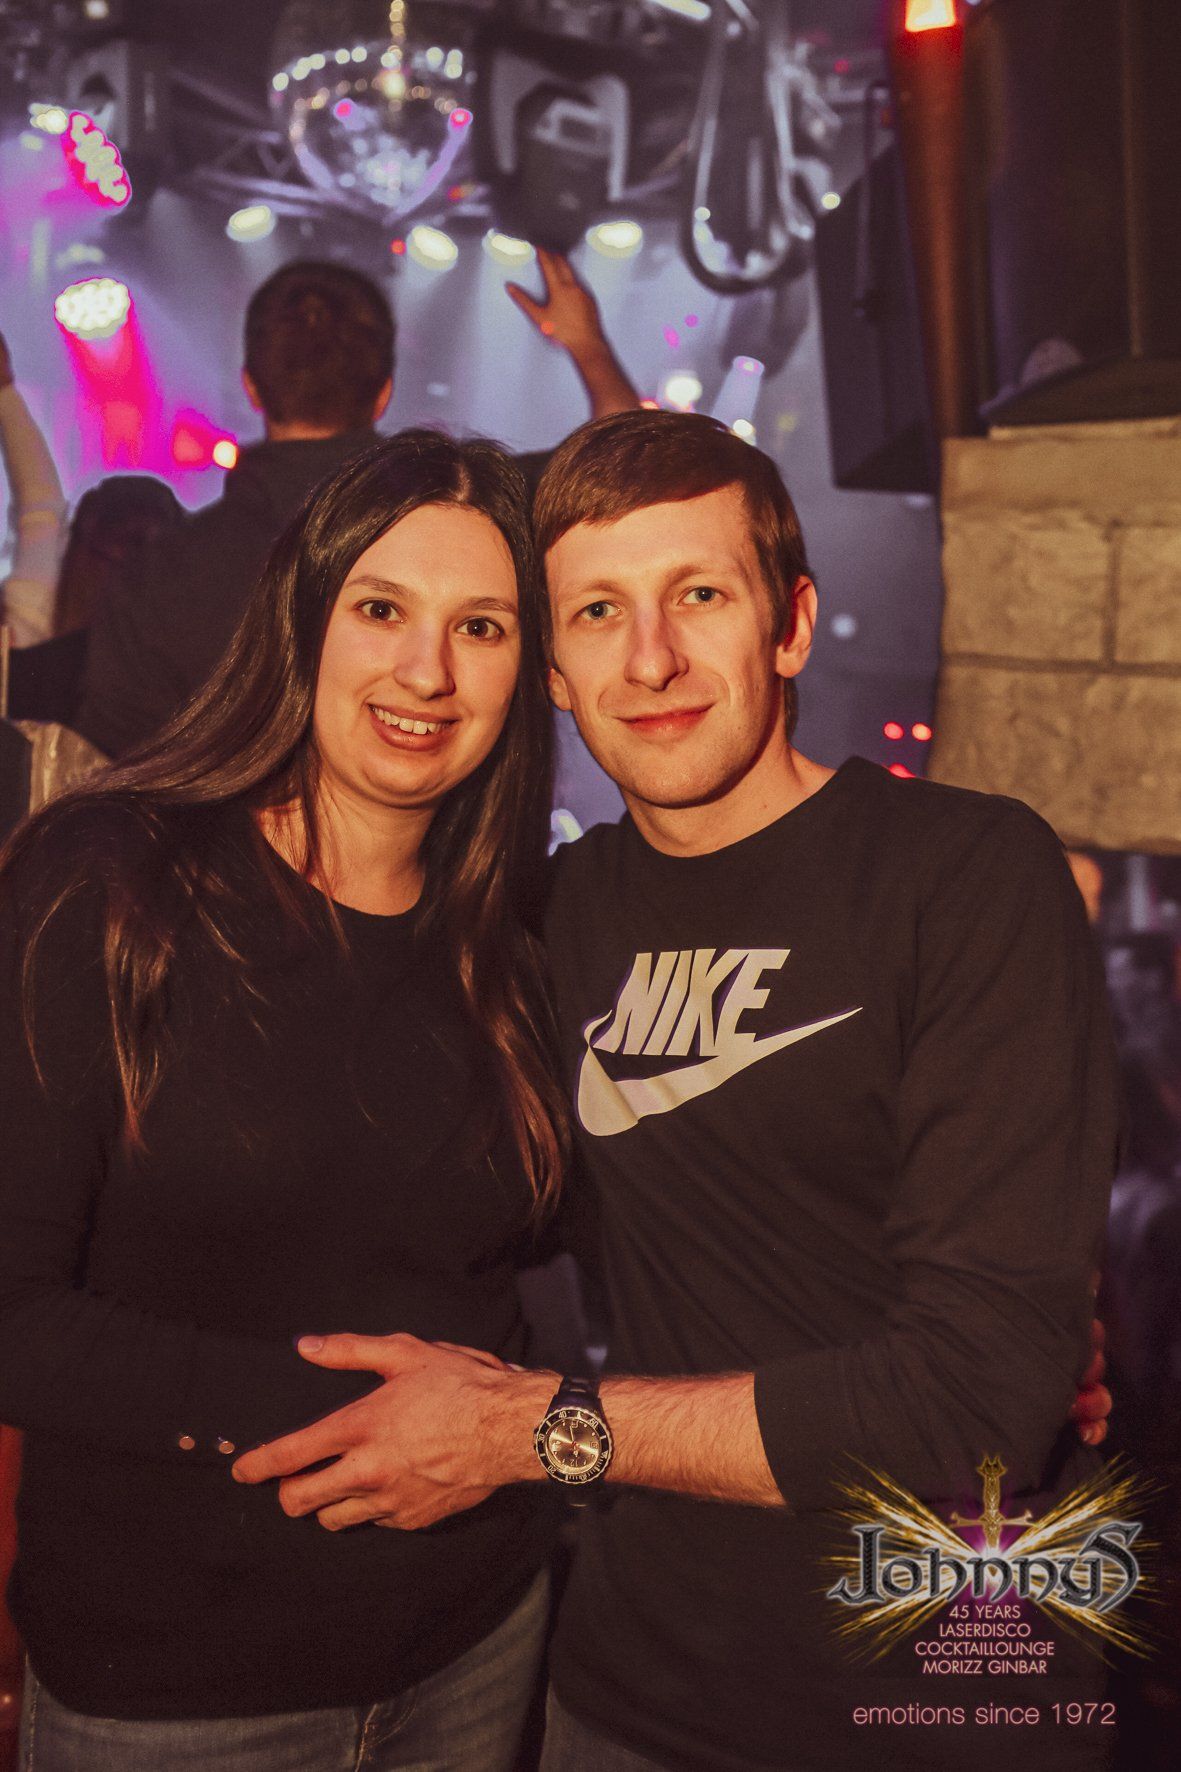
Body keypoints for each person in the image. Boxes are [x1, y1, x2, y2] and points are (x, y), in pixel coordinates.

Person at [235, 410, 1121, 1772]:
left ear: (791, 624)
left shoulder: (963, 874)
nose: (648, 658)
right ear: (553, 671)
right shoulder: (542, 920)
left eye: (697, 595)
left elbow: (975, 1399)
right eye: (596, 612)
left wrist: (532, 1430)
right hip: (631, 1695)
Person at [0, 430, 570, 1769]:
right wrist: (382, 1425)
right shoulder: (113, 882)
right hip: (179, 1690)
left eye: (480, 626)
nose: (426, 671)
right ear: (302, 620)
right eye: (381, 609)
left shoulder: (520, 935)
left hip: (477, 1643)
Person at [74, 249, 639, 760]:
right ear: (384, 391)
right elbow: (624, 459)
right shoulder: (479, 516)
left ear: (251, 387)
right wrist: (585, 342)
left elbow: (113, 769)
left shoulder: (158, 574)